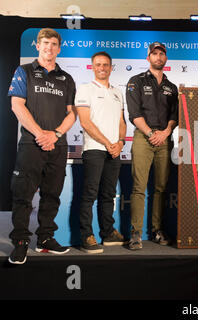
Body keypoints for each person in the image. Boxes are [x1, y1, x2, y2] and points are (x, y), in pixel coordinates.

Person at [7, 28, 76, 264]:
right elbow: (17, 105)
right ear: (37, 46)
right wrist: (40, 134)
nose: (49, 47)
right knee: (23, 195)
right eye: (45, 43)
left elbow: (71, 114)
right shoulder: (24, 71)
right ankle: (20, 242)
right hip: (31, 144)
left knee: (52, 195)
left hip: (57, 145)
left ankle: (45, 238)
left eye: (54, 43)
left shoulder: (66, 78)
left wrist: (55, 135)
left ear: (59, 48)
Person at [126, 42, 178, 250]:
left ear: (165, 58)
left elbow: (175, 116)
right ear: (148, 58)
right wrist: (150, 133)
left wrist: (165, 133)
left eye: (161, 54)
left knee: (161, 188)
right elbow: (134, 113)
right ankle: (135, 233)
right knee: (139, 187)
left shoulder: (171, 87)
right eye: (154, 54)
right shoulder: (135, 81)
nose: (158, 57)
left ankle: (156, 230)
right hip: (143, 137)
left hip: (165, 139)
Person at [75, 51, 127, 254]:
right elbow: (85, 122)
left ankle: (108, 233)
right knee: (89, 195)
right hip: (94, 150)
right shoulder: (85, 89)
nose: (102, 68)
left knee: (108, 194)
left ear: (111, 67)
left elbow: (122, 122)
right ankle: (87, 236)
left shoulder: (117, 92)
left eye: (106, 65)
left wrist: (120, 142)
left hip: (114, 151)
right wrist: (108, 142)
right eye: (98, 64)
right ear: (92, 67)